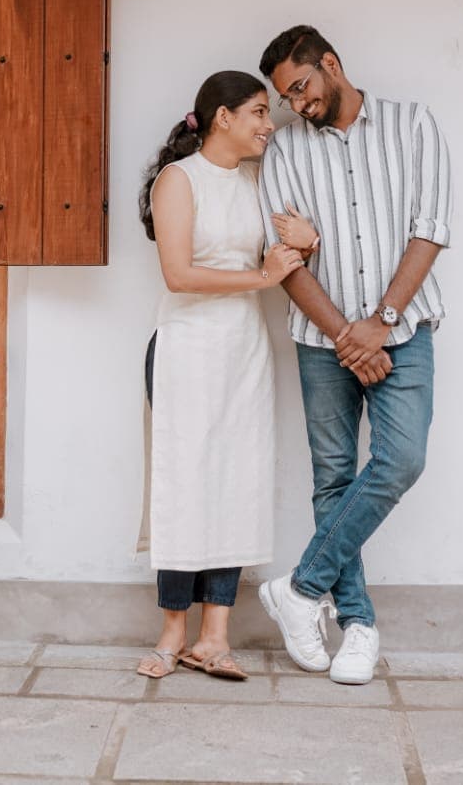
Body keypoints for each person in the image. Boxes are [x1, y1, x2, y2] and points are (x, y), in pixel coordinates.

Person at [254, 25, 453, 685]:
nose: (297, 106)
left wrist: (383, 321)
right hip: (323, 341)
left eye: (303, 88)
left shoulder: (413, 123)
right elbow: (283, 262)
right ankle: (359, 627)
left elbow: (430, 230)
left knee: (402, 458)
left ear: (331, 64)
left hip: (406, 329)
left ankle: (302, 589)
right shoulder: (283, 149)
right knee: (334, 478)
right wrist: (349, 335)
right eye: (286, 98)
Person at [135, 70, 318, 681]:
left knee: (236, 481)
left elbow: (283, 246)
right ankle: (171, 630)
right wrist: (261, 280)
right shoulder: (177, 181)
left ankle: (215, 636)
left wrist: (307, 240)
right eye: (261, 113)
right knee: (185, 483)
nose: (270, 125)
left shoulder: (257, 182)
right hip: (187, 347)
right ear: (223, 118)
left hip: (243, 349)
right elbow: (179, 275)